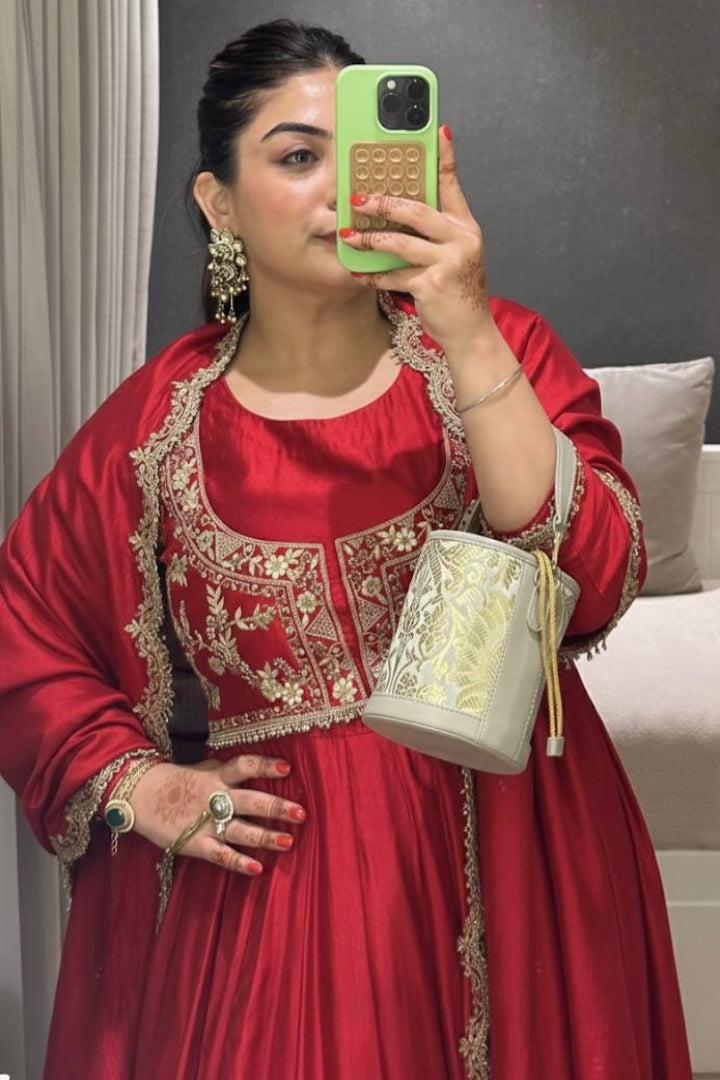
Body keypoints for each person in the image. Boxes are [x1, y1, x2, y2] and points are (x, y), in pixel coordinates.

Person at [0, 17, 694, 1080]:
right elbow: (23, 627)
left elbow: (595, 583)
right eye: (294, 155)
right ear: (217, 203)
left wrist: (462, 321)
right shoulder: (155, 432)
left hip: (523, 864)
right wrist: (140, 785)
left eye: (359, 150)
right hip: (278, 913)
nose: (339, 186)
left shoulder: (497, 353)